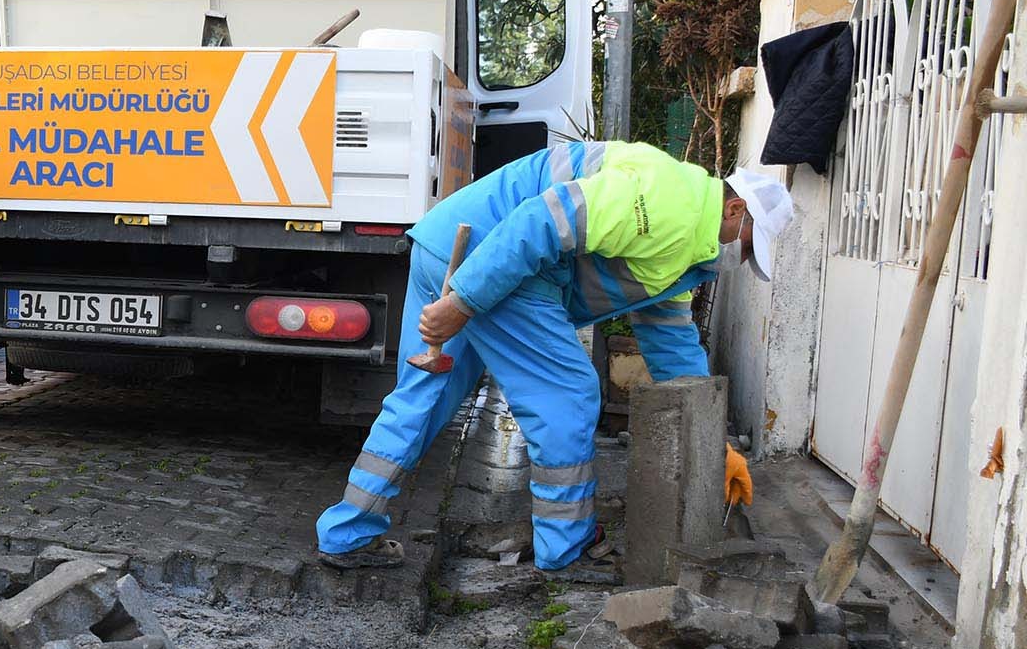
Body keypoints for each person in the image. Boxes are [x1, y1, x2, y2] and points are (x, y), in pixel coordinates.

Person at [317, 141, 793, 575]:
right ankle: (567, 548)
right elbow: (541, 222)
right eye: (749, 246)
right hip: (494, 256)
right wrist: (461, 302)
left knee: (425, 397)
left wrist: (716, 449)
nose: (743, 259)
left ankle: (347, 533)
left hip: (448, 244)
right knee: (568, 395)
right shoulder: (668, 203)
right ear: (735, 209)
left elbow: (671, 343)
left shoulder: (689, 238)